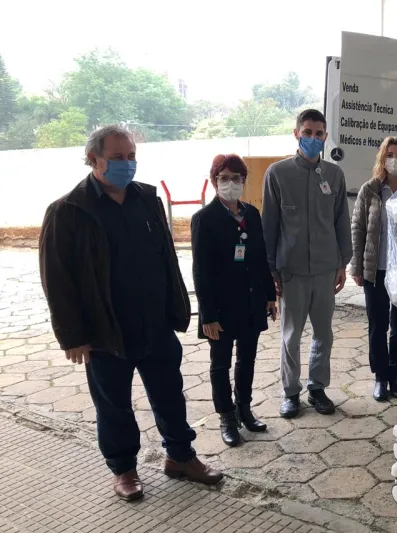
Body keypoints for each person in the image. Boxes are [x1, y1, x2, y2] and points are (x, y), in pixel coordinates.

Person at [38, 125, 222, 502]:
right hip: (106, 332)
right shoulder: (68, 211)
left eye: (132, 157)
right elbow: (56, 279)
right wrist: (72, 336)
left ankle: (180, 457)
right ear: (93, 160)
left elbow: (166, 258)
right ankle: (124, 469)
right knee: (114, 405)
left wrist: (177, 308)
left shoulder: (147, 199)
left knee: (171, 395)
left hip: (154, 324)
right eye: (118, 158)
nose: (127, 164)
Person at [262, 109, 353, 419]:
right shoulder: (277, 173)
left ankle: (317, 387)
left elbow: (342, 220)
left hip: (326, 267)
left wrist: (343, 261)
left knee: (323, 333)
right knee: (291, 334)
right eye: (308, 132)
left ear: (325, 136)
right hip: (292, 269)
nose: (313, 138)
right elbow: (269, 224)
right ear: (296, 133)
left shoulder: (334, 174)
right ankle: (290, 392)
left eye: (318, 133)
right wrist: (270, 269)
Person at [191, 154, 277, 447]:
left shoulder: (252, 214)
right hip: (220, 308)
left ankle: (244, 408)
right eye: (224, 178)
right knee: (220, 364)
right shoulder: (204, 219)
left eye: (236, 178)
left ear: (244, 181)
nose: (230, 183)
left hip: (251, 302)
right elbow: (200, 271)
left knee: (248, 359)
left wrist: (269, 295)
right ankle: (226, 416)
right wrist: (207, 316)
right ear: (214, 181)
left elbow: (261, 257)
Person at [350, 136, 397, 402]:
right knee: (377, 325)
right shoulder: (371, 190)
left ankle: (395, 375)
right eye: (390, 154)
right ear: (382, 158)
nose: (395, 159)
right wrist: (356, 264)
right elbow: (358, 228)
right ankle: (380, 378)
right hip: (376, 269)